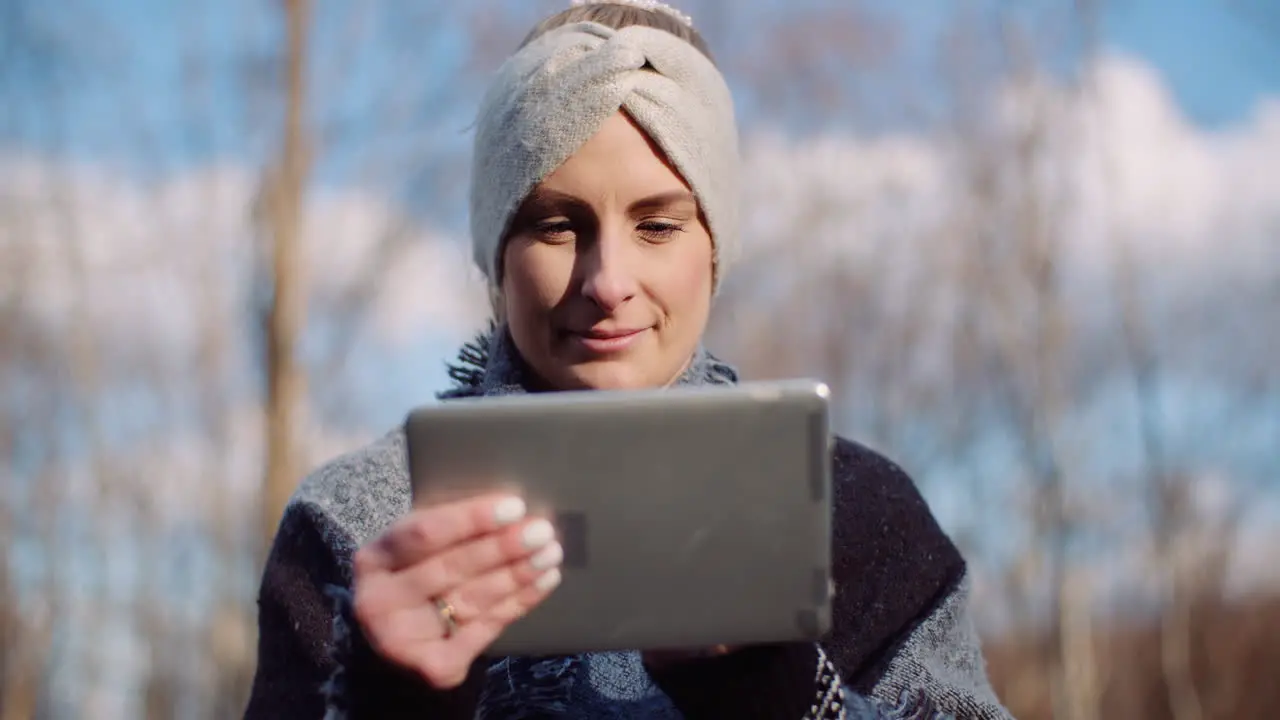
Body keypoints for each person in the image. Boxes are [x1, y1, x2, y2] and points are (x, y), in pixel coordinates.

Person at [243, 2, 1013, 718]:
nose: (608, 281)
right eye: (555, 225)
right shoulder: (357, 527)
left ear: (715, 249)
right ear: (495, 257)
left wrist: (774, 694)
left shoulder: (853, 514)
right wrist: (389, 701)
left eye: (657, 226)